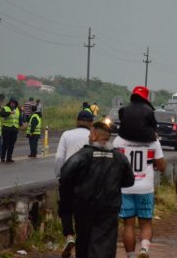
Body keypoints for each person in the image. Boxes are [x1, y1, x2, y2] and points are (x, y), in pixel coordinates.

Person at [59, 121, 135, 258]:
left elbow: (64, 176)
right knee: (106, 245)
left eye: (90, 134)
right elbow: (129, 181)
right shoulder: (120, 158)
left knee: (84, 244)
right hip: (109, 210)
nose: (88, 137)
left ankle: (69, 235)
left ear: (94, 135)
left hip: (84, 209)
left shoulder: (82, 156)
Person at [113, 114, 166, 258]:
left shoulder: (119, 140)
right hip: (145, 188)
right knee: (146, 223)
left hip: (125, 188)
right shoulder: (153, 141)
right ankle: (144, 249)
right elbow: (161, 166)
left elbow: (114, 163)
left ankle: (130, 255)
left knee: (128, 224)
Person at [55, 110, 95, 258]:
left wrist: (60, 174)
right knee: (84, 212)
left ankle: (69, 236)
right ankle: (82, 242)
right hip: (88, 180)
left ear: (77, 121)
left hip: (68, 177)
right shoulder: (93, 136)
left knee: (65, 209)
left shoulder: (67, 135)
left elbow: (59, 157)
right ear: (91, 123)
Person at [0, 97, 21, 163]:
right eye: (12, 103)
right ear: (10, 102)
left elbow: (19, 118)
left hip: (14, 129)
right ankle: (2, 157)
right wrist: (9, 113)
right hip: (7, 129)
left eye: (14, 103)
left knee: (12, 145)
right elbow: (2, 114)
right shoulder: (5, 108)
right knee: (5, 144)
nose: (13, 104)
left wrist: (21, 124)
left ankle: (9, 158)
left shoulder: (17, 109)